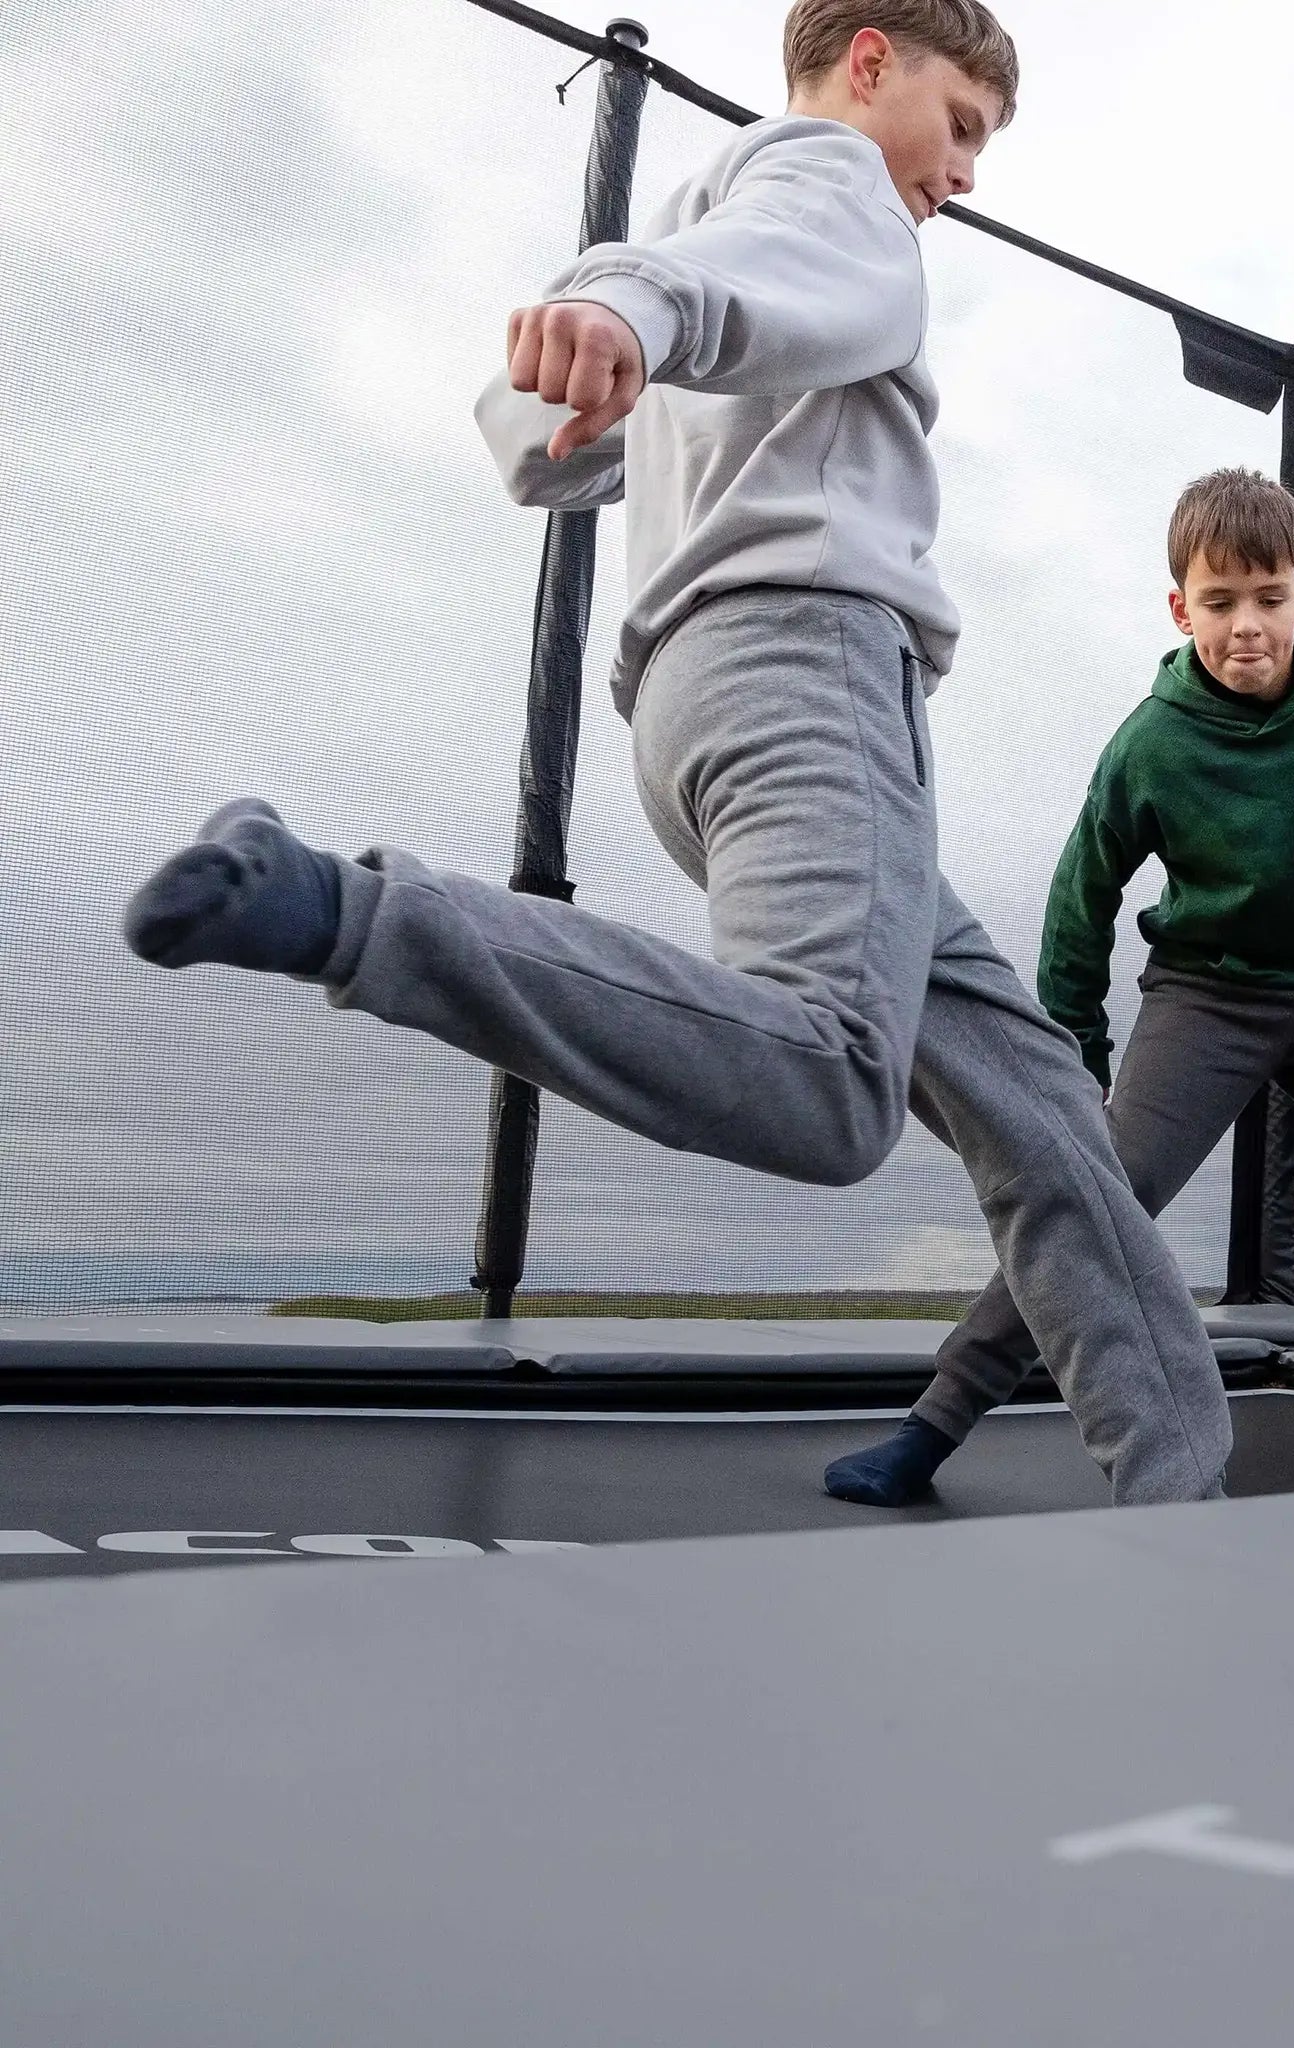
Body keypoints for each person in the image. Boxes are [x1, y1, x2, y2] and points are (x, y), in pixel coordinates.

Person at [119, 0, 1232, 1508]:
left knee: (1030, 1095)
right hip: (810, 682)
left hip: (715, 709)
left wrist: (616, 328)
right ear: (868, 63)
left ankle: (1180, 1483)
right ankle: (348, 912)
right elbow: (746, 271)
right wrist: (638, 307)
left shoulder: (718, 212)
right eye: (962, 125)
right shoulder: (829, 183)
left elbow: (530, 441)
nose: (965, 175)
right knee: (834, 1086)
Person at [827, 467, 1294, 1504]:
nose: (1244, 626)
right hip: (1206, 996)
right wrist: (1073, 1063)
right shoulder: (1151, 742)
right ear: (1181, 608)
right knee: (1091, 1194)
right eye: (1218, 603)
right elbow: (1081, 896)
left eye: (1266, 599)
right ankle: (934, 1421)